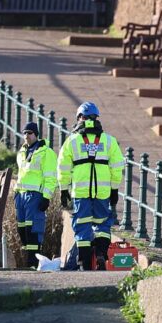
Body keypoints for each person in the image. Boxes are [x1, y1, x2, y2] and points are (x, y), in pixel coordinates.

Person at [57, 102, 124, 271]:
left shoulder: (71, 141)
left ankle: (84, 263)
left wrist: (63, 189)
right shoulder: (109, 141)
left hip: (80, 191)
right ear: (96, 118)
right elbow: (117, 167)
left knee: (82, 225)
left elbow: (63, 168)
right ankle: (101, 254)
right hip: (103, 191)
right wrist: (114, 189)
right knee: (102, 224)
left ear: (80, 118)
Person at [14, 122, 57, 268]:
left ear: (36, 134)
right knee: (22, 229)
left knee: (33, 230)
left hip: (35, 196)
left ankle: (32, 263)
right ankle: (31, 261)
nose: (26, 136)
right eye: (25, 133)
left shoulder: (46, 152)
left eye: (30, 133)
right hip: (21, 196)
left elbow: (50, 177)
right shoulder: (21, 152)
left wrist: (46, 197)